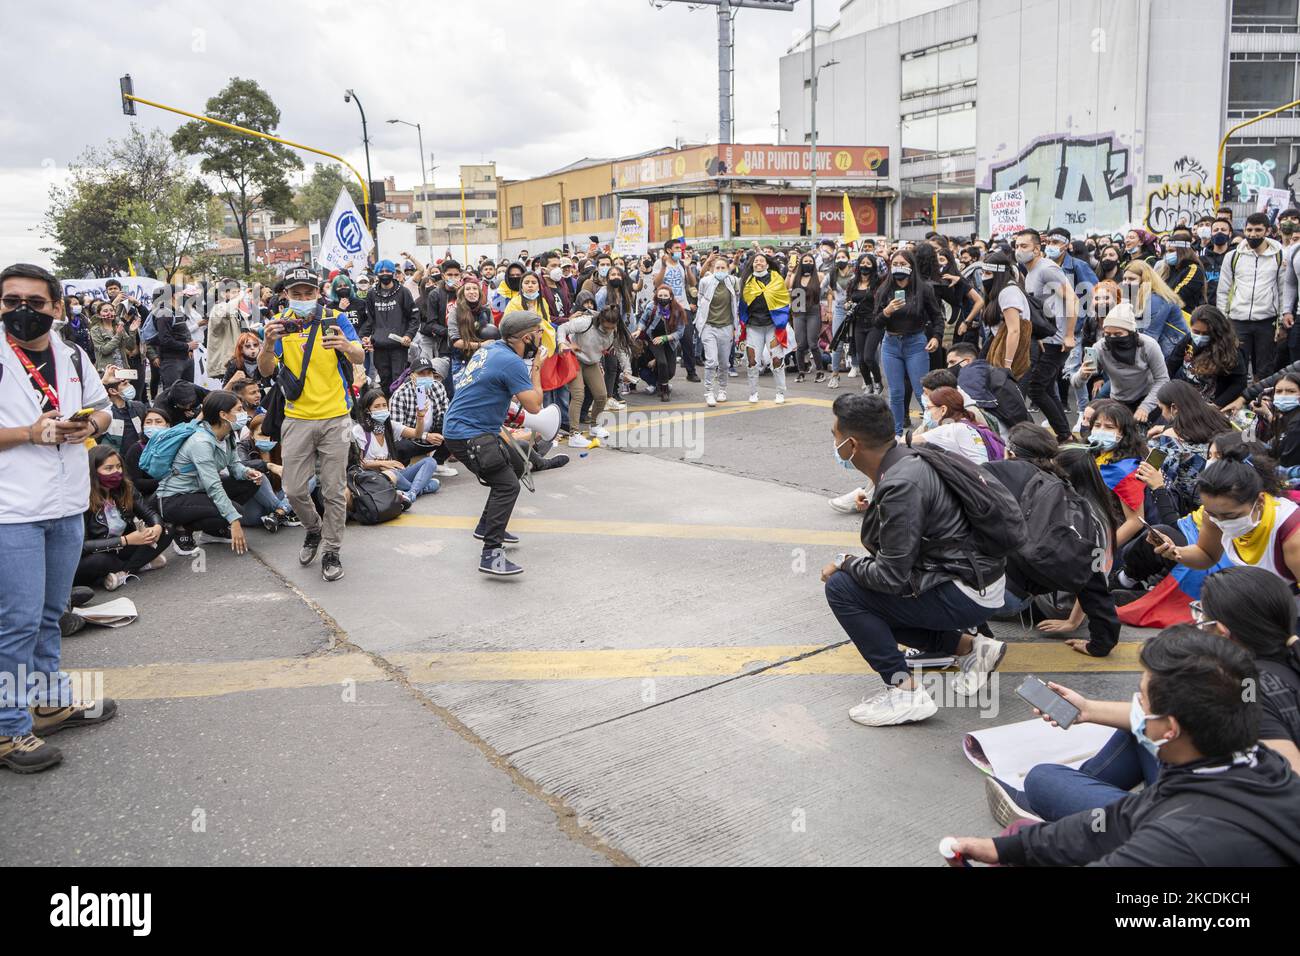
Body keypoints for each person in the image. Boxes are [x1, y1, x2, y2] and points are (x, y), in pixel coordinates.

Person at [953, 626, 1300, 868]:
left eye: (1142, 699)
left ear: (1168, 729)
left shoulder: (1175, 840)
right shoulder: (1256, 764)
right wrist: (1005, 848)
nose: (1135, 704)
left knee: (1046, 780)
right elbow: (1113, 821)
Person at [822, 392, 1008, 726]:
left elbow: (890, 577)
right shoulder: (905, 459)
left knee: (843, 588)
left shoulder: (901, 483)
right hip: (978, 578)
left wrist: (845, 561)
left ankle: (904, 693)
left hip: (966, 588)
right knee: (867, 598)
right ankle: (970, 648)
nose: (834, 444)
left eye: (835, 437)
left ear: (851, 444)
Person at [0, 262, 117, 772]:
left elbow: (103, 408)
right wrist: (28, 433)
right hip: (12, 510)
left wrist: (87, 423)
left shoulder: (71, 353)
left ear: (57, 307)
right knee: (17, 624)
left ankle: (49, 702)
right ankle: (7, 730)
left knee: (51, 614)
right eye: (11, 302)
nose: (22, 311)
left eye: (35, 303)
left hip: (67, 502)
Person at [257, 267, 365, 583]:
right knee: (292, 488)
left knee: (333, 489)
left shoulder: (335, 319)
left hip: (336, 417)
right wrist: (266, 345)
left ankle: (332, 551)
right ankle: (313, 529)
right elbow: (265, 372)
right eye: (296, 294)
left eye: (309, 293)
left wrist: (347, 346)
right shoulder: (279, 325)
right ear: (286, 295)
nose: (303, 299)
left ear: (319, 292)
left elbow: (359, 356)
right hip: (297, 418)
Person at [442, 311, 547, 576]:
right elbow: (535, 406)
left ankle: (486, 525)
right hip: (469, 433)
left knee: (513, 467)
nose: (541, 337)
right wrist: (537, 368)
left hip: (465, 429)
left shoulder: (490, 349)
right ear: (526, 337)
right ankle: (491, 554)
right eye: (538, 333)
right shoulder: (510, 361)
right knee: (507, 485)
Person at [1153, 444, 1300, 593]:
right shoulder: (1216, 513)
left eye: (1231, 516)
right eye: (1212, 514)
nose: (1221, 523)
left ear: (1260, 501)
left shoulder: (1292, 535)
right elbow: (1206, 554)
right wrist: (1176, 551)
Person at [155, 390, 264, 557]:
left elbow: (235, 466)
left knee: (250, 482)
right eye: (239, 409)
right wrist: (234, 521)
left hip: (199, 490)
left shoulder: (227, 435)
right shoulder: (201, 442)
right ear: (223, 414)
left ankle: (212, 531)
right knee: (235, 511)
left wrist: (248, 472)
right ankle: (181, 528)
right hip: (174, 498)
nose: (244, 414)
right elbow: (213, 486)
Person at [77, 444, 170, 590]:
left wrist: (156, 527)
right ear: (93, 471)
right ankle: (140, 564)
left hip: (120, 549)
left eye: (118, 467)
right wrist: (125, 540)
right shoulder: (82, 499)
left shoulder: (125, 488)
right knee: (101, 561)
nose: (116, 472)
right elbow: (82, 546)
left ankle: (124, 573)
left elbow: (150, 513)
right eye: (109, 468)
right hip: (96, 554)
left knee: (166, 531)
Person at [1016, 228, 1078, 441]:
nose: (1019, 250)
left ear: (1037, 248)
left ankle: (1063, 435)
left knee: (1036, 388)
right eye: (1017, 246)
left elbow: (1072, 299)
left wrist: (1069, 335)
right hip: (1045, 340)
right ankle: (1066, 436)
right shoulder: (1030, 271)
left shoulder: (1047, 269)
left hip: (1057, 340)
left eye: (1024, 246)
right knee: (1047, 389)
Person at [1072, 302, 1169, 422]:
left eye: (1118, 334)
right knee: (1091, 419)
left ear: (1131, 332)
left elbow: (1162, 379)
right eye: (1107, 334)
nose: (1112, 338)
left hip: (1147, 396)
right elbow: (1076, 383)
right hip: (1117, 398)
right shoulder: (1100, 347)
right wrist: (1082, 375)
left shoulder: (1148, 345)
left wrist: (1145, 407)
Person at [1217, 211, 1284, 380]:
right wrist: (1223, 320)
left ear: (1267, 231)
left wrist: (1281, 321)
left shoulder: (1279, 255)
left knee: (1263, 371)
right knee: (1234, 367)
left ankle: (1259, 403)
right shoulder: (1233, 256)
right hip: (1237, 320)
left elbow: (1283, 290)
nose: (1253, 234)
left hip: (1266, 321)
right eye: (1249, 230)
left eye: (1258, 230)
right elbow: (1223, 289)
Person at [352, 388, 439, 508]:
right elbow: (360, 463)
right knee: (431, 483)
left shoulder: (389, 425)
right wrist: (387, 463)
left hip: (395, 473)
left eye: (384, 405)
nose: (382, 409)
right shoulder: (359, 430)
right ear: (368, 410)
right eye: (377, 406)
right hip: (374, 477)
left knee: (430, 462)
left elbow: (417, 434)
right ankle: (417, 489)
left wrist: (420, 417)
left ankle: (410, 493)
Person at [559, 304, 619, 447]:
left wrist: (627, 369)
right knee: (578, 395)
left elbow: (612, 349)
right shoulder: (586, 322)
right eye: (607, 327)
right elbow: (563, 328)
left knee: (601, 396)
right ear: (601, 320)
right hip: (575, 360)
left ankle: (594, 426)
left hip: (592, 362)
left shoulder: (614, 330)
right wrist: (563, 343)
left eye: (612, 327)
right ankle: (574, 435)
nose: (609, 330)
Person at [1165, 304, 1247, 407]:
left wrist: (1217, 405)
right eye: (1196, 332)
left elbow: (1239, 384)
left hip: (1209, 406)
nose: (1199, 337)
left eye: (1205, 333)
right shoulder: (1189, 340)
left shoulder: (1230, 351)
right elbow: (1171, 364)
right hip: (1184, 398)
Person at [975, 250, 1033, 382]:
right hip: (1002, 343)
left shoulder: (1008, 292)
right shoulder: (1001, 291)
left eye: (988, 273)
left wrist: (1007, 364)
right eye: (983, 273)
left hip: (1012, 349)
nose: (984, 277)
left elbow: (1014, 330)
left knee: (1009, 396)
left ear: (999, 274)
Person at [360, 259, 418, 393]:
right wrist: (363, 337)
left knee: (398, 381)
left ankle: (399, 410)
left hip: (399, 346)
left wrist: (409, 335)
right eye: (381, 271)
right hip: (379, 346)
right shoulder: (371, 294)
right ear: (376, 274)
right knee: (385, 381)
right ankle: (387, 410)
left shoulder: (403, 292)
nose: (384, 274)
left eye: (387, 271)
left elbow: (414, 317)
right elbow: (369, 320)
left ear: (393, 273)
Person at [910, 385, 999, 465]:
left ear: (943, 410)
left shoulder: (949, 429)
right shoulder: (966, 422)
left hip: (976, 479)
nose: (927, 412)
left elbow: (907, 441)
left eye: (929, 408)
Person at [694, 252, 740, 407]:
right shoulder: (705, 282)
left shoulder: (734, 282)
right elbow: (700, 300)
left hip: (726, 327)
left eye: (723, 267)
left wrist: (736, 326)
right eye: (717, 267)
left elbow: (737, 302)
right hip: (709, 326)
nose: (720, 270)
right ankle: (709, 392)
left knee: (724, 363)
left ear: (728, 269)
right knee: (711, 361)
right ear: (713, 269)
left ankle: (722, 389)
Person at [1122, 258, 1189, 358]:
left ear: (1144, 279)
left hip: (1172, 353)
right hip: (1161, 349)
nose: (1126, 283)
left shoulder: (1156, 299)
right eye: (1124, 279)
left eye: (1132, 279)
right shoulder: (1134, 297)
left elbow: (1150, 337)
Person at [635, 284, 687, 403]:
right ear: (656, 296)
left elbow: (680, 332)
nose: (663, 297)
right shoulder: (651, 307)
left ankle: (660, 382)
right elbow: (642, 320)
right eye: (660, 295)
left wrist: (666, 337)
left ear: (670, 297)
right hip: (654, 339)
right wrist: (639, 330)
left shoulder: (678, 310)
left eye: (665, 295)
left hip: (670, 341)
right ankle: (664, 391)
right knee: (662, 363)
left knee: (670, 372)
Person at [787, 250, 826, 383]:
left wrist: (830, 309)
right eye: (805, 261)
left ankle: (820, 371)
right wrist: (789, 272)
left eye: (810, 261)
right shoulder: (795, 276)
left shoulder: (819, 276)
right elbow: (786, 287)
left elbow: (830, 290)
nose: (808, 263)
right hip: (798, 311)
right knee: (800, 344)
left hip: (813, 311)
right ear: (801, 263)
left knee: (813, 344)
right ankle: (801, 372)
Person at [1255, 370, 1300, 468]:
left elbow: (1287, 463)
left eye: (1291, 391)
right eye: (1279, 391)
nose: (1284, 395)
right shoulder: (1287, 416)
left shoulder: (1297, 423)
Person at [97, 365, 145, 453]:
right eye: (125, 384)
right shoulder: (104, 413)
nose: (130, 386)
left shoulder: (138, 407)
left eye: (129, 383)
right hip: (116, 460)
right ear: (113, 391)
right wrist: (104, 382)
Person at [1158, 226, 1207, 310]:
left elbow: (1177, 296)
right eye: (1167, 251)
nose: (1168, 254)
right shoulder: (1167, 269)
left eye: (1171, 251)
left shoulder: (1194, 269)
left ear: (1182, 251)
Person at [205, 279, 245, 376]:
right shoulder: (218, 308)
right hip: (225, 364)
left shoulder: (237, 310)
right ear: (223, 294)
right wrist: (239, 298)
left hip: (238, 360)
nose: (238, 295)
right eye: (234, 292)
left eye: (239, 292)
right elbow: (225, 313)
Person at [88, 298, 136, 374]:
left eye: (111, 310)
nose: (109, 313)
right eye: (105, 311)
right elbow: (104, 350)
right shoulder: (95, 330)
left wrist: (132, 331)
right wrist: (118, 335)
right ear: (99, 314)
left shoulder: (118, 326)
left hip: (122, 369)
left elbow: (130, 347)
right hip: (107, 371)